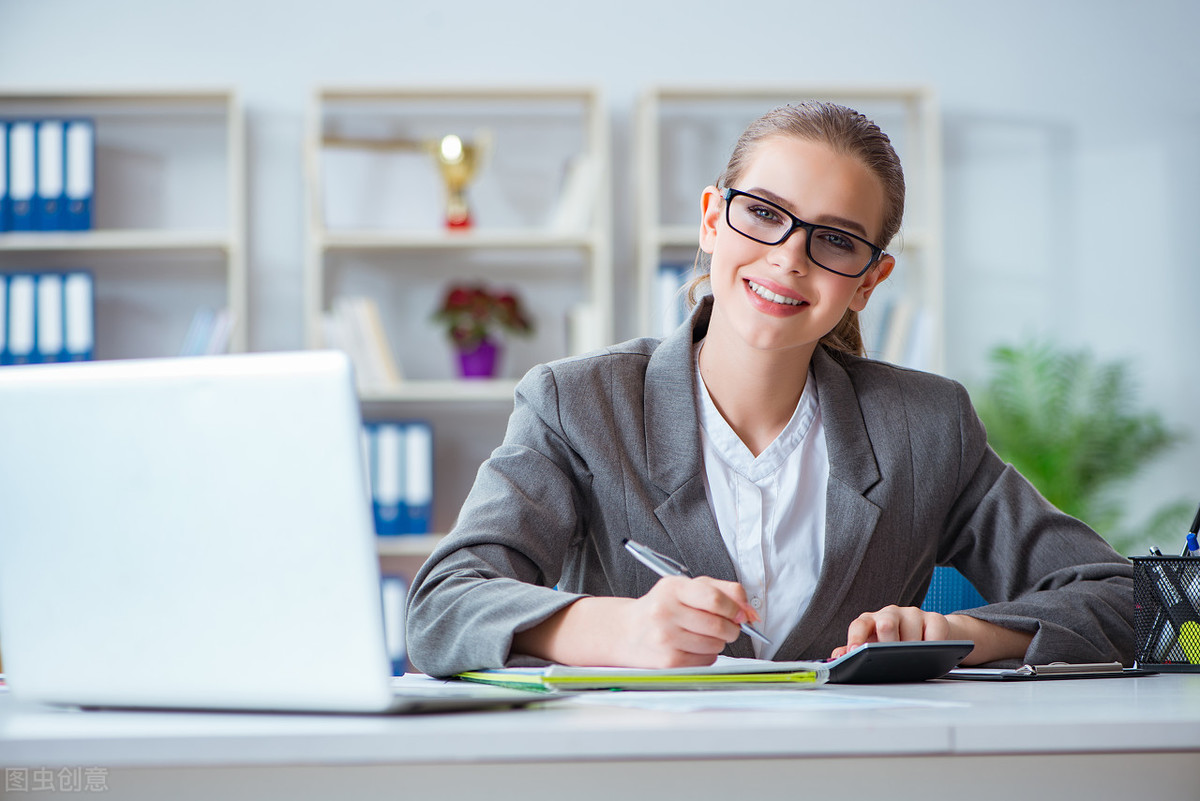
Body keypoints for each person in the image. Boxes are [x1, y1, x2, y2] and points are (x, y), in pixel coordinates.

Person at [405, 101, 1135, 678]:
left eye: (837, 240)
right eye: (763, 213)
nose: (789, 259)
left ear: (867, 283)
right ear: (712, 219)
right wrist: (616, 627)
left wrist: (956, 635)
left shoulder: (924, 425)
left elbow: (1123, 598)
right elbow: (442, 607)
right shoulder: (576, 404)